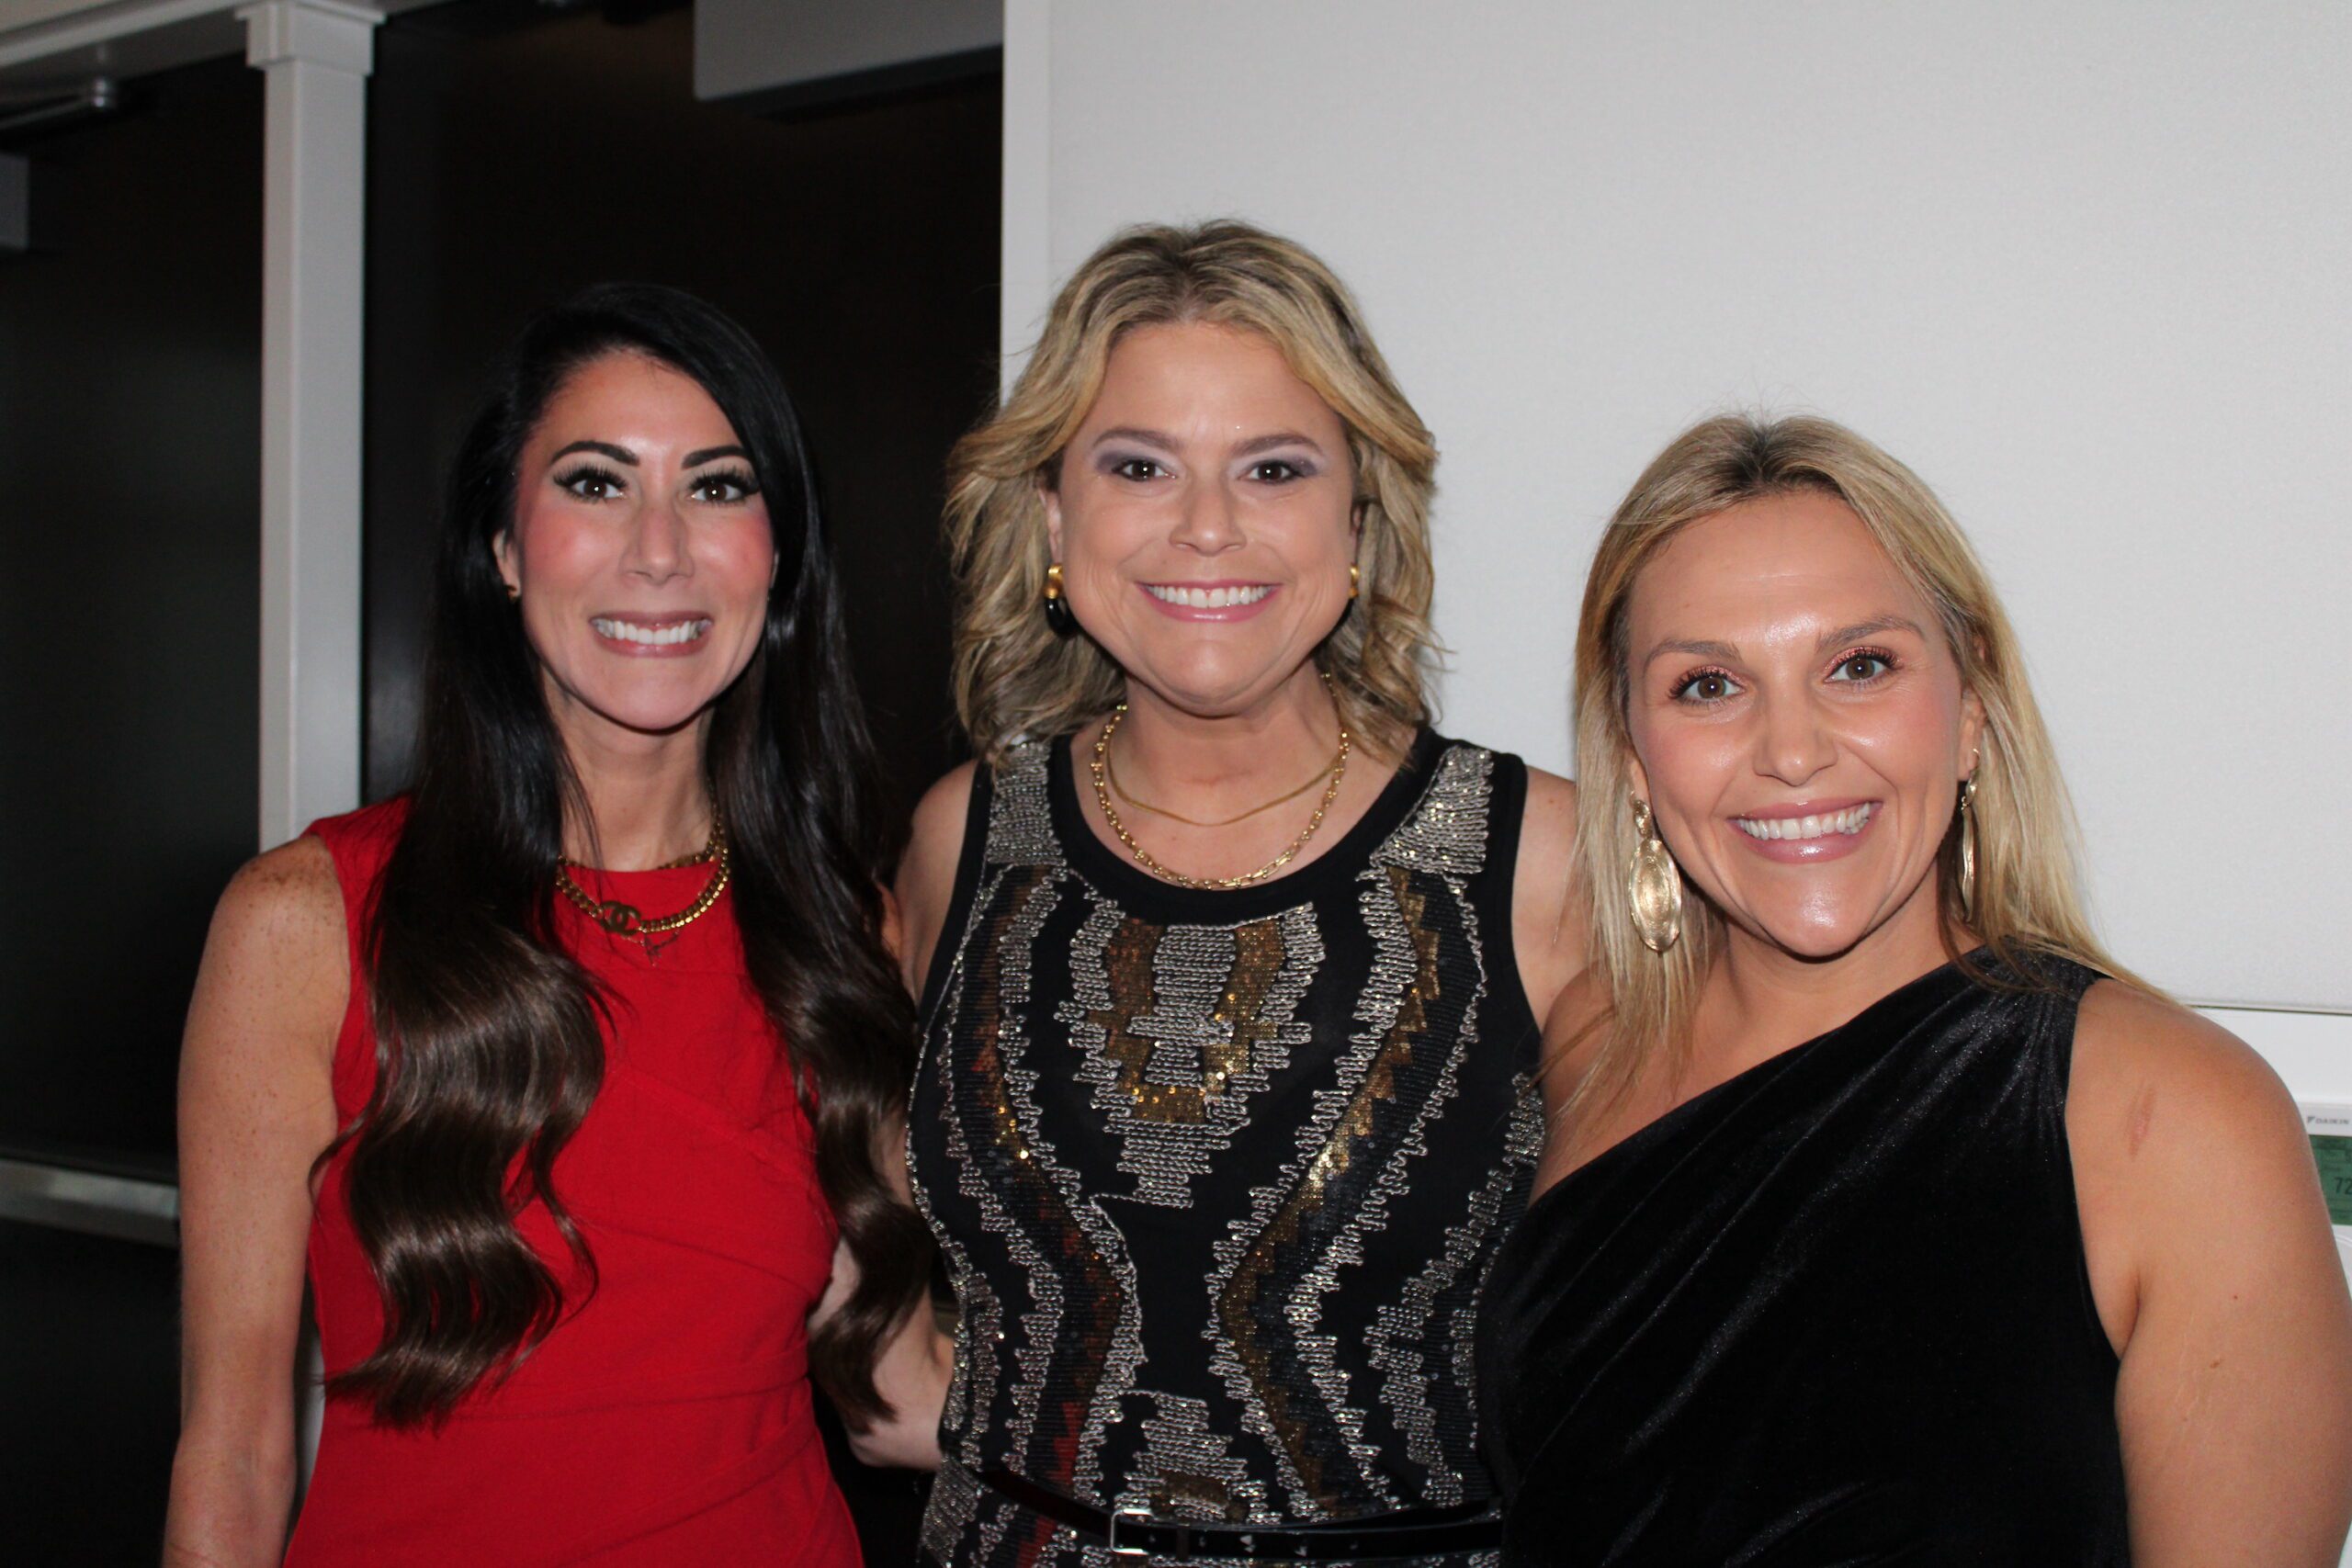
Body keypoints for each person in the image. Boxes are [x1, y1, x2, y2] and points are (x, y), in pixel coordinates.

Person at [1476, 412, 2352, 1565]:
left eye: (1859, 666)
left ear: (1971, 707)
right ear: (1634, 756)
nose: (1792, 750)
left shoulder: (2172, 1115)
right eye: (1708, 684)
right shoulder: (1590, 1041)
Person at [165, 285, 939, 1565]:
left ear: (779, 557)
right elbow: (233, 1449)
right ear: (505, 546)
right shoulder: (307, 922)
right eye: (595, 483)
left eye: (717, 487)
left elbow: (899, 1386)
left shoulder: (849, 928)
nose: (659, 550)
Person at [891, 220, 1587, 1566]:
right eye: (1138, 465)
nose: (1206, 525)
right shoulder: (961, 834)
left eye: (1273, 468)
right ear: (1053, 515)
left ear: (1357, 516)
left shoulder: (1539, 856)